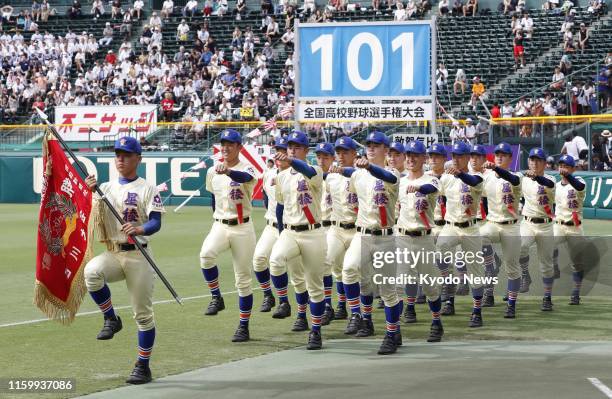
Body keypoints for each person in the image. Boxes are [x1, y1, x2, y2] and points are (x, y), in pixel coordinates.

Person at [84, 137, 165, 384]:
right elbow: (91, 212)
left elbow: (156, 222)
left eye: (127, 155)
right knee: (92, 273)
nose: (121, 159)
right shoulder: (105, 188)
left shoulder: (147, 188)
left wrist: (140, 229)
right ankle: (111, 318)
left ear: (138, 159)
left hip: (139, 255)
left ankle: (143, 365)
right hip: (114, 252)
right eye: (118, 154)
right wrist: (90, 191)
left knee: (143, 315)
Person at [336, 131, 402, 354]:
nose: (371, 148)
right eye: (369, 145)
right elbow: (352, 178)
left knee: (387, 291)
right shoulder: (357, 175)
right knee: (348, 269)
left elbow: (390, 179)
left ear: (386, 150)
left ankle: (392, 333)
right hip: (362, 234)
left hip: (386, 238)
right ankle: (357, 315)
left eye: (377, 145)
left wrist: (368, 167)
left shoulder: (391, 172)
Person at [269, 130, 328, 350]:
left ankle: (315, 330)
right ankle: (283, 301)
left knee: (314, 286)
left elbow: (304, 169)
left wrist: (292, 160)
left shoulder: (316, 170)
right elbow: (280, 207)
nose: (291, 150)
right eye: (289, 147)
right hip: (291, 232)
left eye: (296, 147)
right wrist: (281, 231)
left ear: (306, 150)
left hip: (313, 233)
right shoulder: (282, 177)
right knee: (275, 260)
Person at [199, 130, 258, 342]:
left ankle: (244, 326)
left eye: (230, 144)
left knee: (243, 279)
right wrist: (216, 217)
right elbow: (213, 198)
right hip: (220, 224)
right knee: (206, 255)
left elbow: (246, 178)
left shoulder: (247, 167)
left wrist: (229, 172)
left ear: (239, 147)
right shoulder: (212, 171)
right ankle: (216, 297)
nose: (225, 148)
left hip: (242, 227)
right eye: (223, 144)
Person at [395, 140, 445, 343]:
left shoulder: (431, 179)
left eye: (415, 155)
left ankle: (436, 321)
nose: (410, 158)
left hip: (424, 238)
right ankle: (394, 329)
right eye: (408, 155)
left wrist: (418, 187)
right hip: (402, 237)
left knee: (430, 287)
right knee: (398, 284)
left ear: (424, 158)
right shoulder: (399, 181)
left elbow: (429, 189)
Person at [436, 141, 485, 326]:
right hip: (451, 226)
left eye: (460, 156)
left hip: (470, 227)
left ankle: (477, 311)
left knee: (475, 272)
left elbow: (472, 182)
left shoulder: (477, 175)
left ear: (468, 157)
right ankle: (449, 287)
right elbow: (434, 190)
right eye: (454, 155)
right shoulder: (446, 178)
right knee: (441, 248)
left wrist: (461, 174)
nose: (456, 159)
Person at [479, 143, 522, 316]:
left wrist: (496, 168)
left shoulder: (516, 175)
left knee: (512, 267)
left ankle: (511, 304)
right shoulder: (487, 176)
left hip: (511, 226)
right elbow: (481, 198)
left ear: (510, 158)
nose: (499, 156)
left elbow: (512, 180)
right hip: (493, 223)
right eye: (497, 154)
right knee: (479, 236)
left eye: (504, 154)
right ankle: (492, 263)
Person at [323, 137, 359, 324]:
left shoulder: (361, 173)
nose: (341, 155)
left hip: (357, 230)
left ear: (354, 154)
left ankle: (357, 313)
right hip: (336, 228)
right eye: (339, 152)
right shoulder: (331, 176)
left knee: (352, 271)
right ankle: (329, 306)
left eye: (346, 151)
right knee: (325, 264)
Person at [252, 138, 291, 313]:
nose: (279, 154)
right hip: (272, 225)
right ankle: (269, 295)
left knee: (296, 271)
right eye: (277, 150)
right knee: (259, 259)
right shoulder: (268, 173)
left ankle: (288, 303)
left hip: (291, 227)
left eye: (283, 150)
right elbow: (266, 198)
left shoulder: (297, 174)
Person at [518, 148, 556, 311]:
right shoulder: (523, 178)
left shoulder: (551, 179)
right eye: (532, 159)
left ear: (545, 163)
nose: (534, 162)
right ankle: (525, 275)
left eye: (538, 160)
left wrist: (537, 177)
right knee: (519, 248)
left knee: (546, 264)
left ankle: (547, 297)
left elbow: (547, 184)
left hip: (546, 225)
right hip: (527, 223)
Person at [553, 155, 587, 305]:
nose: (563, 168)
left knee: (577, 263)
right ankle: (553, 267)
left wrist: (568, 176)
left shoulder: (579, 181)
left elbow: (579, 187)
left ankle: (576, 292)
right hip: (559, 225)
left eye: (566, 165)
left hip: (575, 227)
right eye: (561, 165)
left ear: (573, 168)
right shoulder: (556, 185)